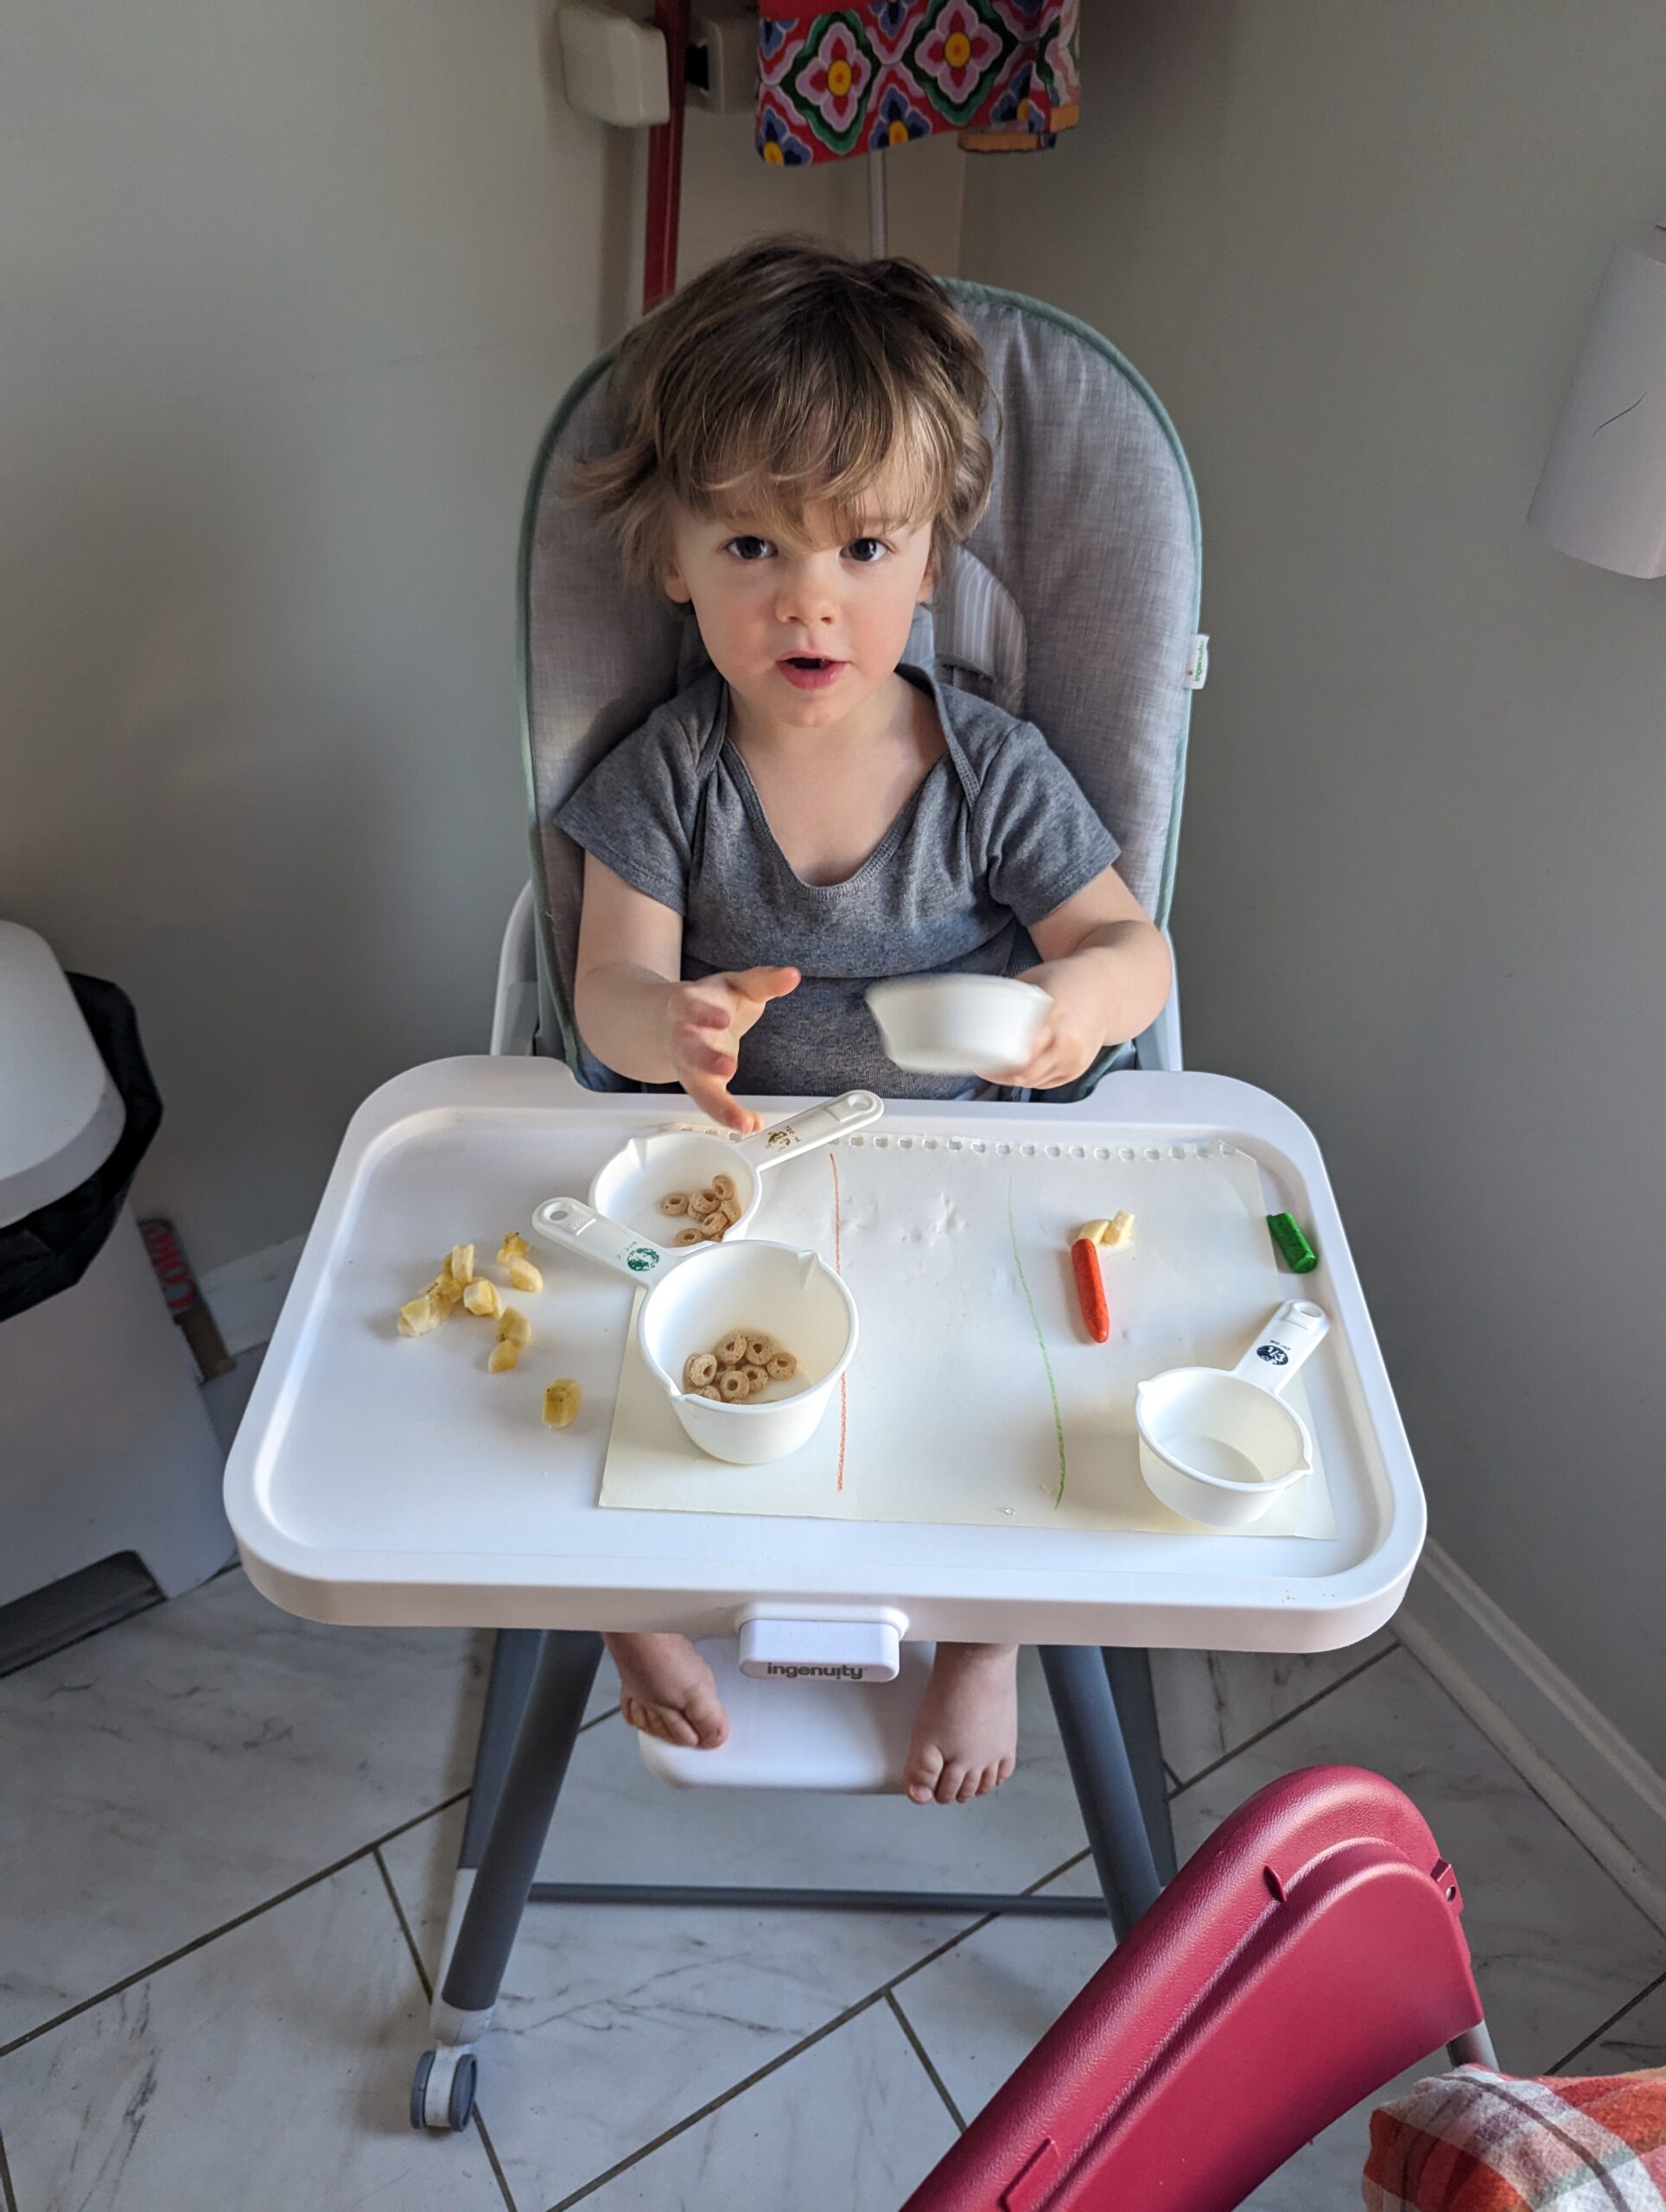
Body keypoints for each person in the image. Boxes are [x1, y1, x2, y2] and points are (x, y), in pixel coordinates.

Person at [558, 234, 1172, 1805]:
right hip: (726, 1174)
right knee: (606, 1358)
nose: (808, 599)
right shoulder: (667, 777)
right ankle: (634, 1609)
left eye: (863, 546)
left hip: (950, 1174)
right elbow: (603, 990)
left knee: (1025, 1399)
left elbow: (1131, 946)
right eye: (751, 545)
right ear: (676, 560)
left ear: (934, 558)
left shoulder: (992, 772)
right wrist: (670, 1024)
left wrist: (1076, 1005)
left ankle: (982, 1637)